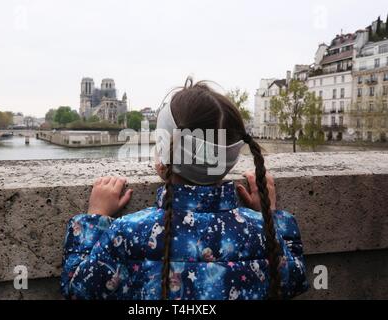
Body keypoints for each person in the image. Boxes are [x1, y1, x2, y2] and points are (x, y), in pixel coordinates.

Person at [61, 79, 309, 300]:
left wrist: (95, 218)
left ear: (162, 160)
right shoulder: (260, 231)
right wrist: (270, 217)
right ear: (230, 159)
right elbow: (295, 279)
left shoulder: (128, 232)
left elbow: (79, 289)